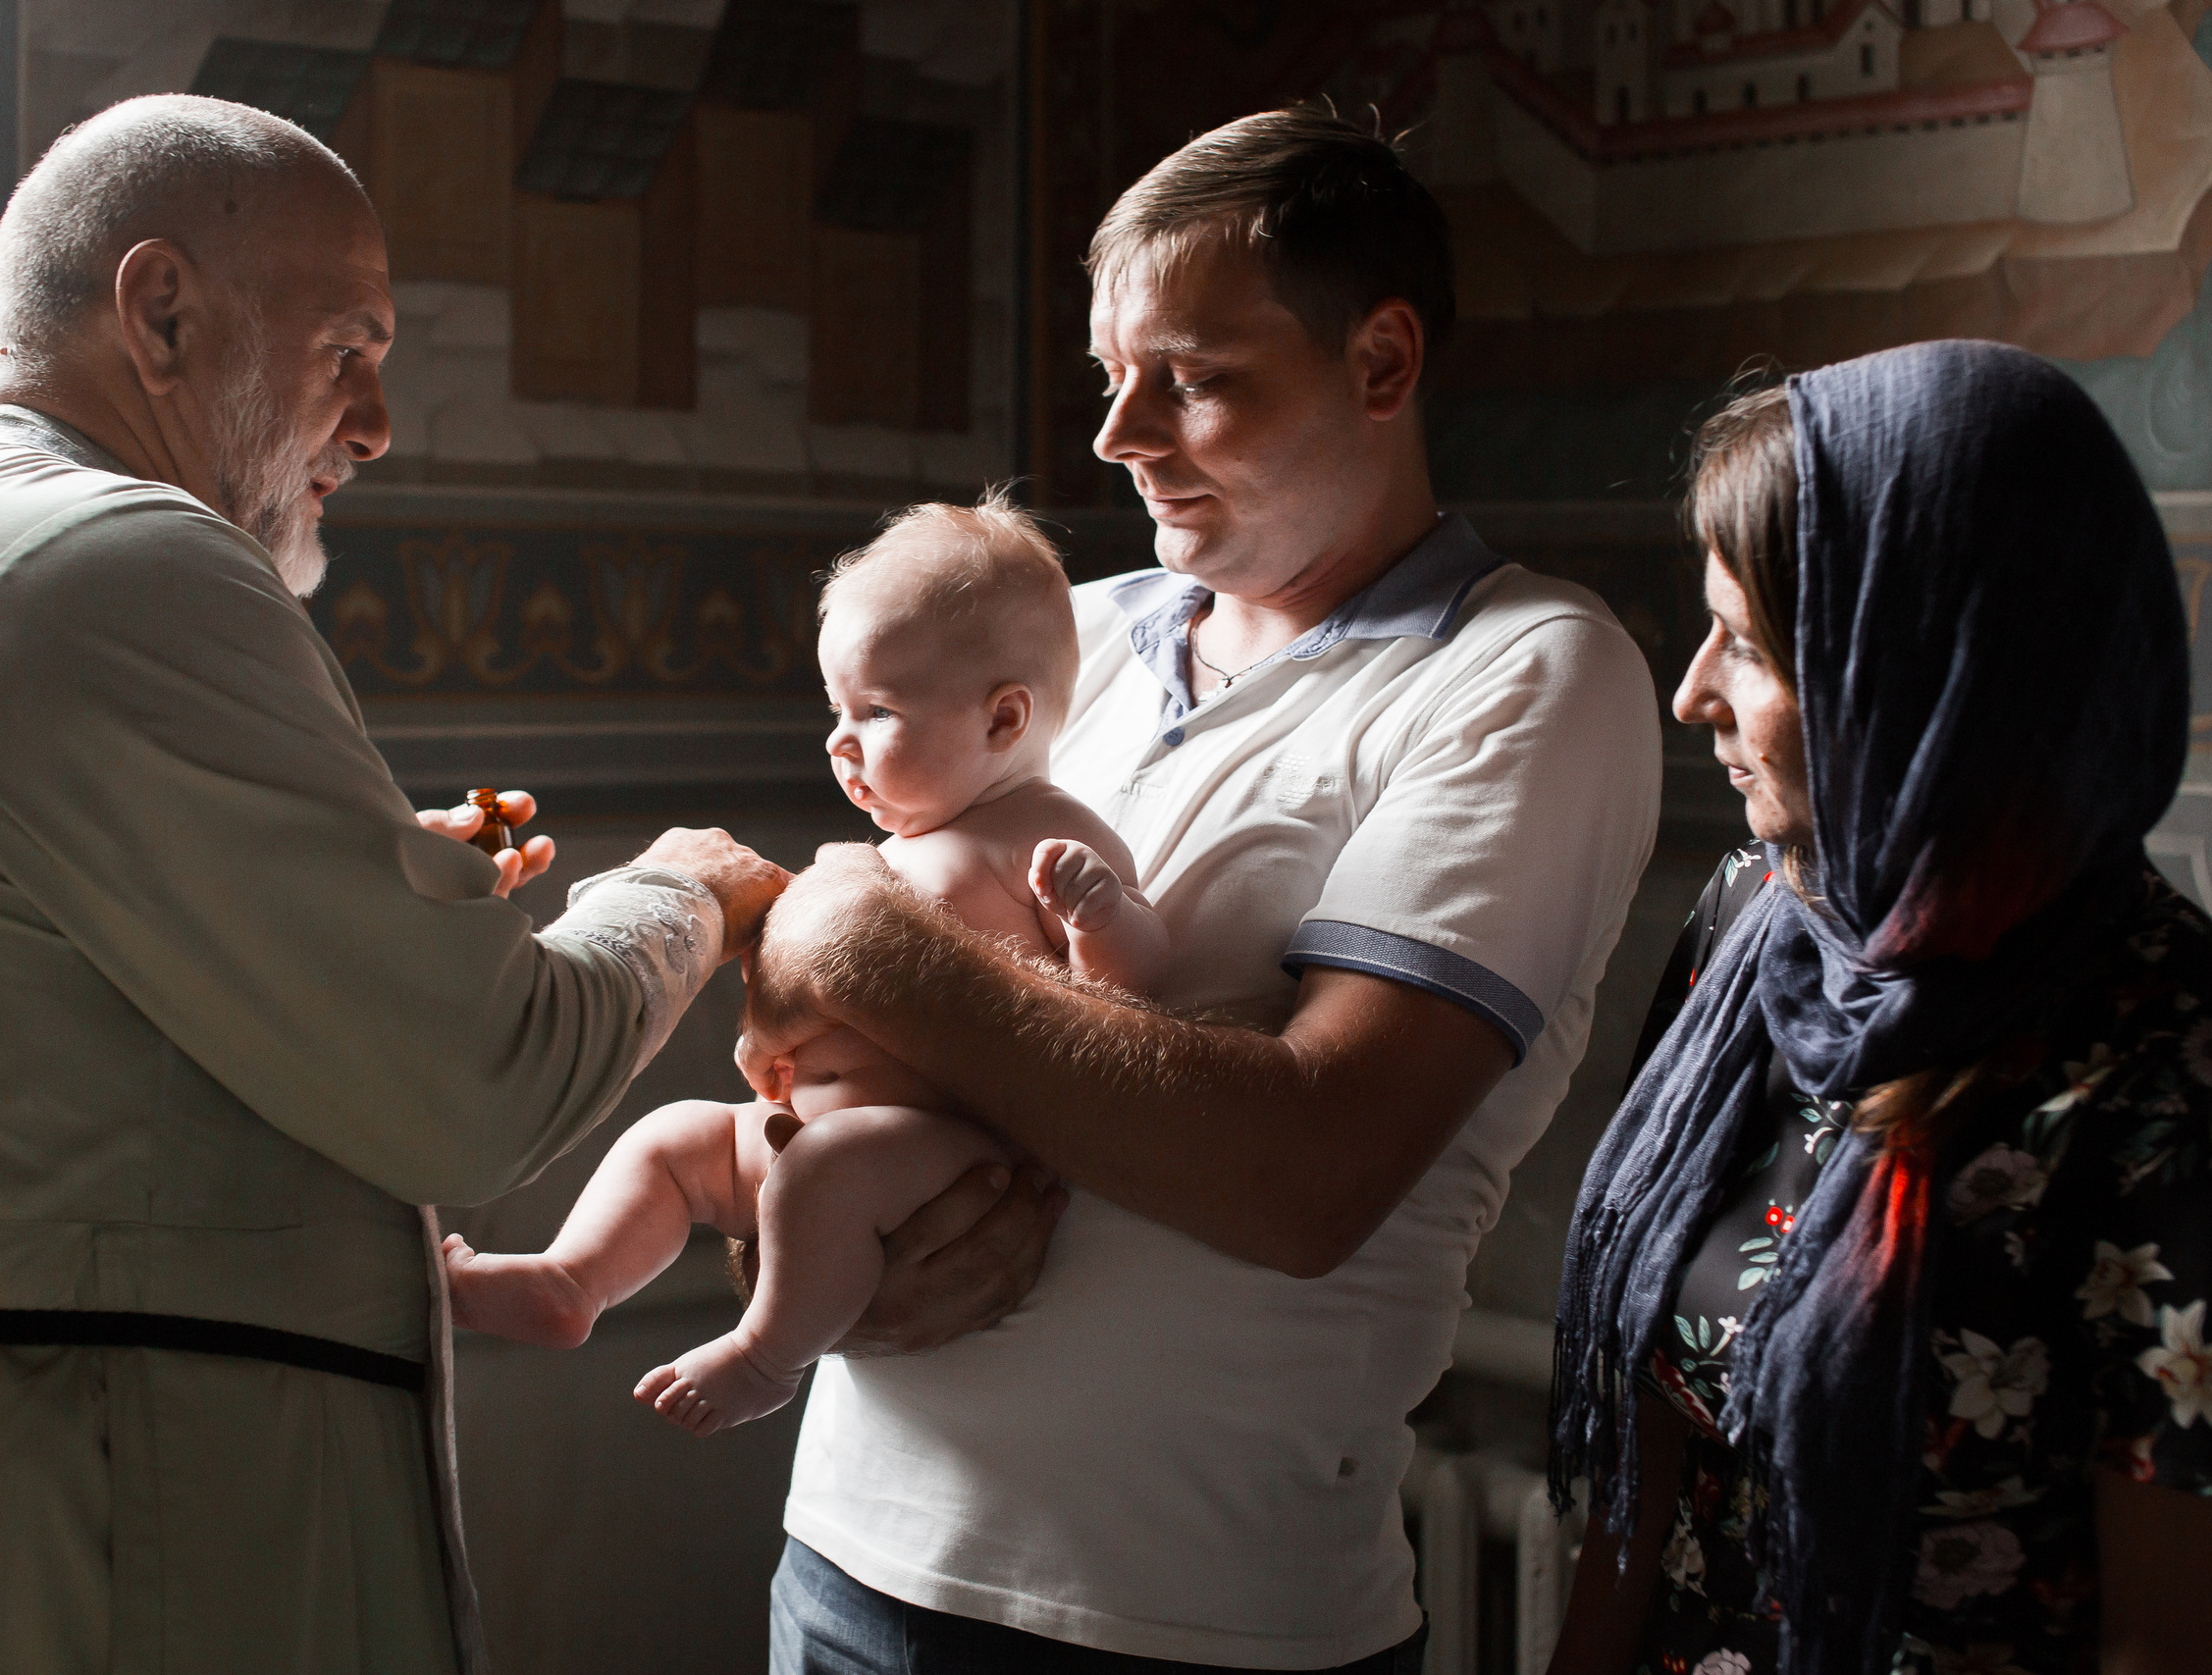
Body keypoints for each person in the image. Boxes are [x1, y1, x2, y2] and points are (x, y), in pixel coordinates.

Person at [0, 96, 793, 1674]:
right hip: (61, 1535)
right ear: (159, 313)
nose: (377, 423)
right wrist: (679, 890)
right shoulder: (119, 559)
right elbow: (474, 1080)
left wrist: (363, 888)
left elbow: (25, 1031)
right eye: (348, 349)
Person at [738, 107, 1664, 1672]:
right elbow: (802, 1028)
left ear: (1380, 361)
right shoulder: (1055, 635)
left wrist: (853, 931)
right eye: (1114, 374)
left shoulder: (1527, 673)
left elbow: (1306, 1169)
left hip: (1195, 1622)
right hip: (845, 1557)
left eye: (1193, 377)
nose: (1118, 432)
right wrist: (819, 1231)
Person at [1545, 341, 2212, 1675]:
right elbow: (1650, 1478)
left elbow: (2166, 1631)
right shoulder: (1755, 926)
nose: (1693, 694)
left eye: (1744, 642)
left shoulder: (2164, 1044)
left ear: (1920, 664)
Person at [440, 494, 1168, 1437]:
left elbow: (1127, 995)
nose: (839, 740)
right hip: (802, 1135)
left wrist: (1100, 913)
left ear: (1003, 719)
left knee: (829, 1162)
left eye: (877, 710)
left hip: (936, 1152)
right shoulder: (904, 847)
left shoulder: (1047, 831)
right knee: (674, 1139)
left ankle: (765, 1354)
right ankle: (572, 1280)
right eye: (836, 709)